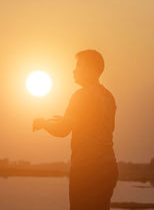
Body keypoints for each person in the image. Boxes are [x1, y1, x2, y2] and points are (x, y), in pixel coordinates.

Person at [33, 49, 118, 210]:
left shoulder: (81, 96)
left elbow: (62, 130)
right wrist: (69, 120)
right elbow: (96, 124)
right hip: (108, 167)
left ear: (90, 69)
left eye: (78, 66)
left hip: (87, 168)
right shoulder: (108, 96)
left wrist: (43, 123)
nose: (74, 70)